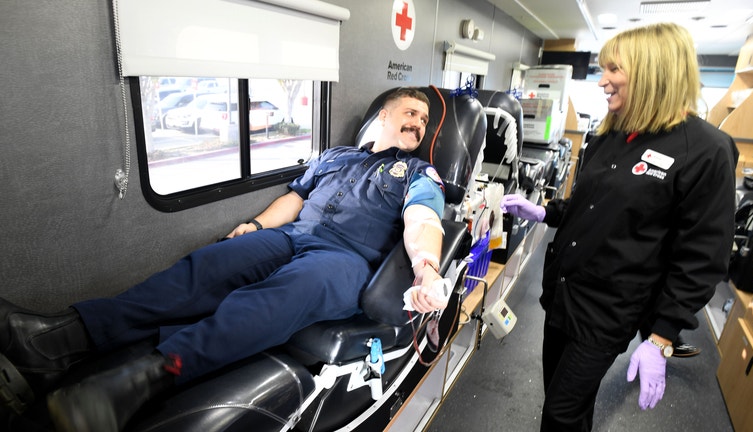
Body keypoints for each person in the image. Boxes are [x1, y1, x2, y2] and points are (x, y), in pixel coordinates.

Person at [0, 87, 448, 432]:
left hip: (345, 260)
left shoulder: (417, 172)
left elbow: (422, 219)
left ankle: (148, 377)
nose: (419, 124)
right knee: (208, 265)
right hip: (292, 235)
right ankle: (59, 338)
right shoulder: (335, 156)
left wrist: (427, 266)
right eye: (411, 113)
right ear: (384, 115)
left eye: (425, 120)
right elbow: (295, 199)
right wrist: (254, 226)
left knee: (281, 296)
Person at [500, 23, 737, 431]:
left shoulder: (705, 150)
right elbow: (590, 205)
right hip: (563, 293)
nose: (602, 81)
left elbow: (702, 258)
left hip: (609, 310)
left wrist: (662, 339)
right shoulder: (609, 136)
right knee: (562, 399)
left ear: (651, 71)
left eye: (614, 69)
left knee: (560, 413)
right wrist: (548, 213)